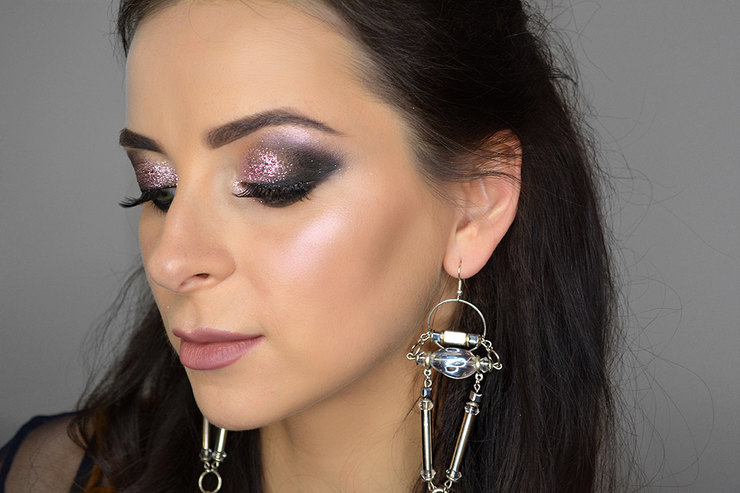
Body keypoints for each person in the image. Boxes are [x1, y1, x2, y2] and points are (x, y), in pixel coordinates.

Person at [0, 0, 619, 491]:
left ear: (474, 206)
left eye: (273, 183)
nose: (170, 261)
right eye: (158, 187)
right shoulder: (48, 476)